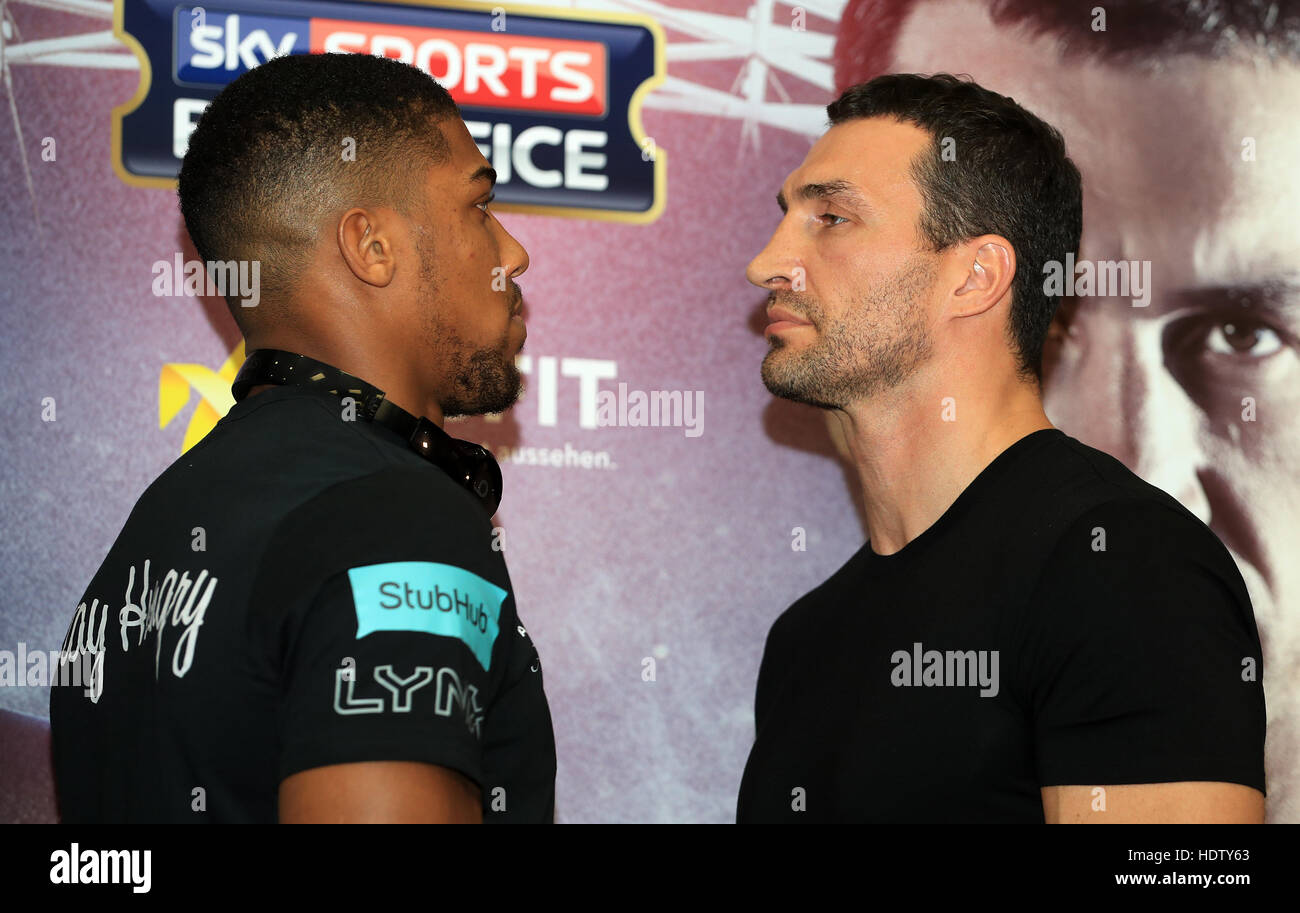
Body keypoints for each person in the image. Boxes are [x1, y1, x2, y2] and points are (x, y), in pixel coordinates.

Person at [736, 73, 1266, 822]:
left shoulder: (1118, 565)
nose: (766, 263)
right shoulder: (806, 639)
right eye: (786, 216)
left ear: (976, 276)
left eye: (831, 217)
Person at [48, 51, 555, 823]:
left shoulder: (144, 542)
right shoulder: (396, 516)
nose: (512, 253)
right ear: (372, 246)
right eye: (479, 208)